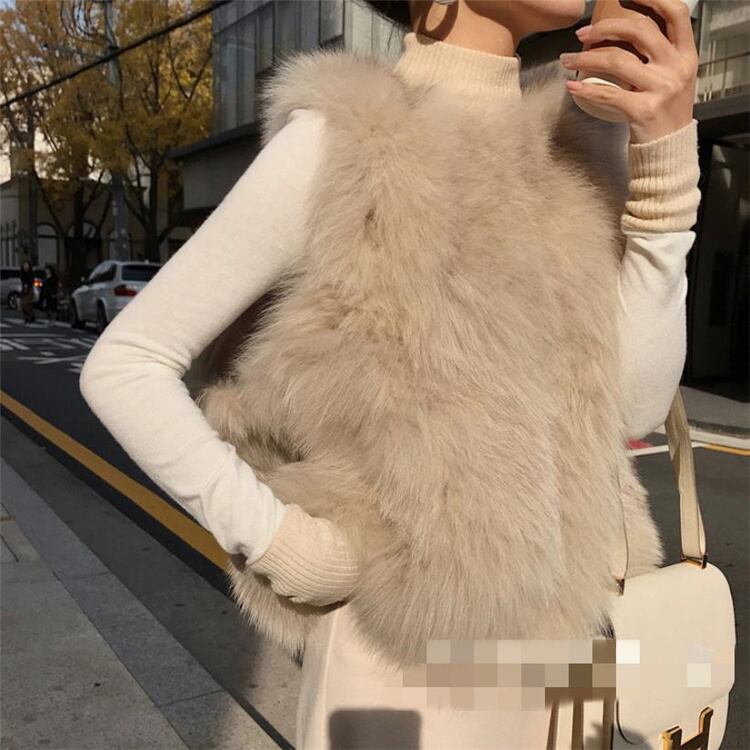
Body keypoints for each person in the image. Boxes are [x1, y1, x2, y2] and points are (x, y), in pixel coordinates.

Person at [79, 0, 702, 747]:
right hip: (415, 670)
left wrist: (665, 172)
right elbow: (127, 363)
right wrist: (283, 545)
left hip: (573, 660)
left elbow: (628, 411)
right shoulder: (352, 138)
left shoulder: (576, 140)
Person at [19, 259, 36, 324]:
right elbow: (22, 280)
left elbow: (31, 281)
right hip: (24, 289)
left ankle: (29, 317)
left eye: (27, 265)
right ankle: (28, 317)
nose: (25, 266)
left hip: (29, 289)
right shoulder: (22, 273)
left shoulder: (31, 273)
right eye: (24, 265)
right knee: (23, 304)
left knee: (27, 303)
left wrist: (28, 285)